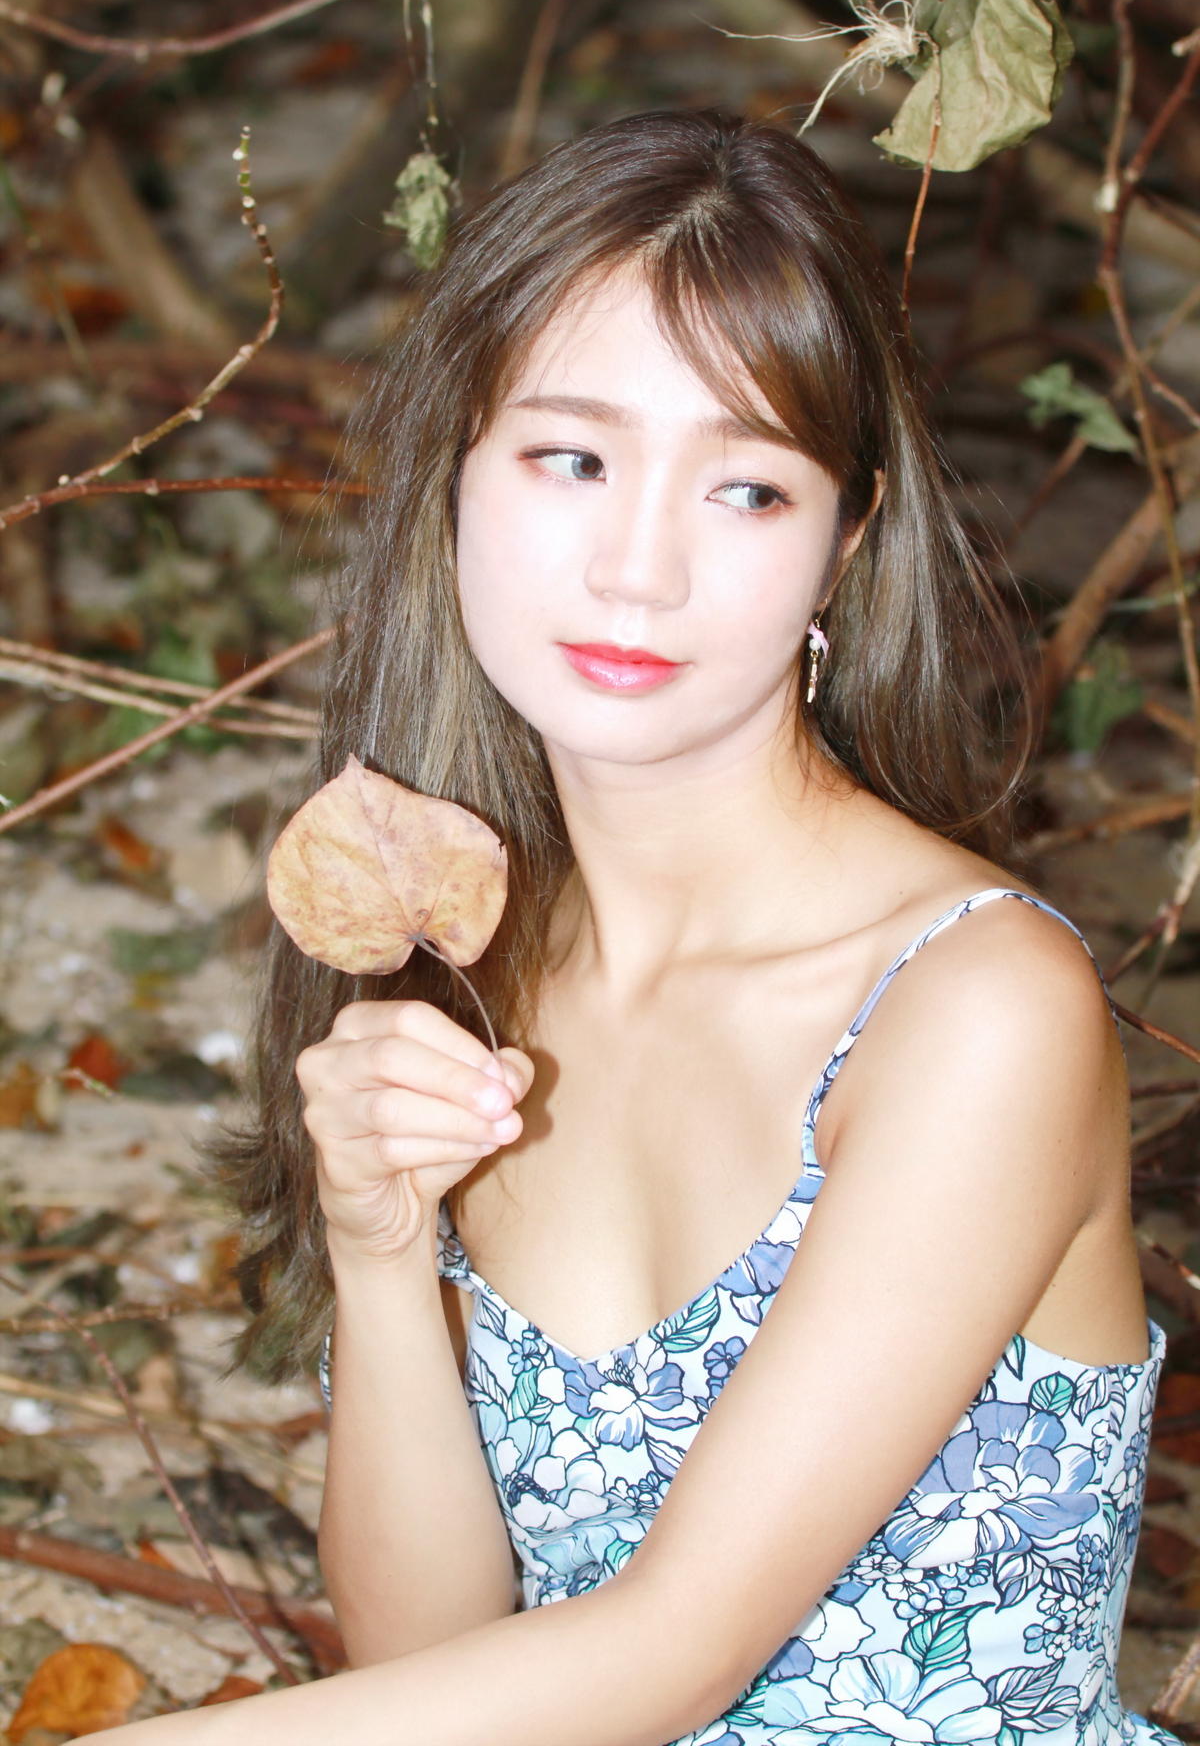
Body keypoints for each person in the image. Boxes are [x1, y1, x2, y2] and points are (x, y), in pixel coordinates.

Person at [103, 109, 1177, 1745]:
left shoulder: (971, 1008)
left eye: (746, 488)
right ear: (455, 475)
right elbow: (425, 1662)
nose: (638, 570)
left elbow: (672, 1654)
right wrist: (382, 1254)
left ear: (843, 545)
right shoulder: (476, 969)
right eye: (574, 459)